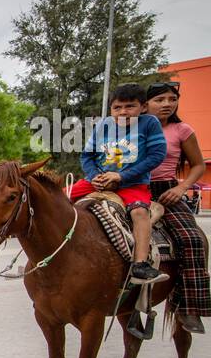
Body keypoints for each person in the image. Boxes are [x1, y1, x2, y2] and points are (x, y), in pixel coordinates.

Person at [69, 83, 167, 285]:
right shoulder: (103, 125)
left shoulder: (149, 123)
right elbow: (87, 156)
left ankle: (140, 263)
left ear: (143, 107)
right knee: (59, 197)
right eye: (117, 107)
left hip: (132, 183)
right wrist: (94, 175)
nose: (123, 112)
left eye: (130, 106)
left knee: (140, 213)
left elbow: (156, 155)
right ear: (111, 109)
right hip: (97, 180)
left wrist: (122, 176)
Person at [145, 82, 211, 333]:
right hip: (131, 186)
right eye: (159, 99)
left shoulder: (182, 130)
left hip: (166, 192)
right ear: (146, 104)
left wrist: (181, 188)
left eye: (172, 99)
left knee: (192, 239)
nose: (167, 104)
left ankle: (189, 307)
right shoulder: (133, 127)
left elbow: (198, 165)